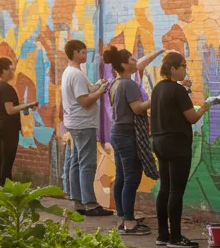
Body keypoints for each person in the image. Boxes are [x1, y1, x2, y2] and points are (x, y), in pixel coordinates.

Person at [150, 51, 220, 248]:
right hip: (177, 144)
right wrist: (206, 106)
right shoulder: (178, 90)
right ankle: (175, 237)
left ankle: (163, 234)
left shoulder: (158, 88)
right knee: (176, 190)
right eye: (183, 66)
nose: (185, 70)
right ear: (173, 68)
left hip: (160, 141)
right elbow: (192, 117)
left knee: (164, 188)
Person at [104, 45, 164, 235]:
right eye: (131, 59)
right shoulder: (128, 84)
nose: (135, 60)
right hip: (127, 134)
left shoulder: (115, 83)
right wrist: (157, 97)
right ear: (123, 64)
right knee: (131, 177)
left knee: (122, 176)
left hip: (118, 133)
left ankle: (123, 217)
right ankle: (129, 222)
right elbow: (137, 109)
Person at [61, 39, 111, 216]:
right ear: (75, 53)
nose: (85, 55)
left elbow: (85, 91)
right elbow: (84, 101)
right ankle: (90, 203)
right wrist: (101, 91)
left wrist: (97, 85)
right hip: (83, 123)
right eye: (82, 52)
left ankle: (77, 201)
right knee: (87, 163)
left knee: (76, 161)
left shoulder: (70, 72)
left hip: (75, 123)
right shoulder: (76, 74)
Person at [0, 57, 36, 186]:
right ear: (3, 70)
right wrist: (27, 105)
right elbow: (10, 110)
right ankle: (6, 189)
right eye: (10, 69)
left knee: (2, 159)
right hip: (8, 127)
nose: (12, 72)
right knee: (8, 161)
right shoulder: (6, 88)